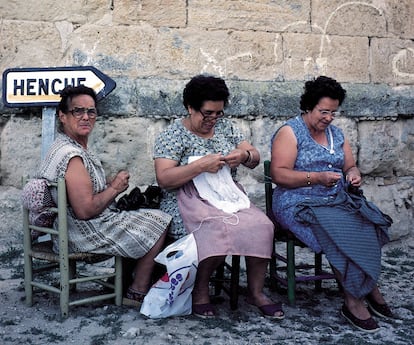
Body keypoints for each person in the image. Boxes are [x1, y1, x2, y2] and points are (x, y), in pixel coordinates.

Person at [153, 74, 284, 319]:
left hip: (225, 195)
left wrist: (243, 157)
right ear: (190, 108)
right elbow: (164, 179)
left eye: (218, 113)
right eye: (207, 113)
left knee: (263, 225)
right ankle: (200, 291)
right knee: (213, 228)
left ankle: (255, 291)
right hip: (186, 198)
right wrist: (200, 166)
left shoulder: (225, 128)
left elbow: (254, 158)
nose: (213, 119)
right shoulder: (172, 135)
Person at [270, 76, 393, 332]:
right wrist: (315, 178)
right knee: (338, 232)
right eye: (323, 111)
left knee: (366, 221)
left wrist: (353, 174)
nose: (328, 118)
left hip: (335, 198)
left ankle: (369, 285)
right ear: (308, 107)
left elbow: (349, 165)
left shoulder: (336, 134)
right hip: (298, 201)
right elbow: (279, 174)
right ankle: (352, 300)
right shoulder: (290, 132)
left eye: (333, 112)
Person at [35, 85, 172, 306]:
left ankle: (123, 278)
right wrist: (115, 188)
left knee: (139, 213)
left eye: (91, 111)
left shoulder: (63, 146)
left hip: (69, 228)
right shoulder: (72, 156)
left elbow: (80, 189)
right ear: (62, 116)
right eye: (77, 111)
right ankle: (137, 290)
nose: (86, 117)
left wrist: (105, 184)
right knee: (161, 220)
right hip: (80, 234)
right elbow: (85, 210)